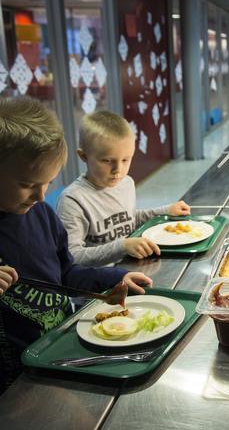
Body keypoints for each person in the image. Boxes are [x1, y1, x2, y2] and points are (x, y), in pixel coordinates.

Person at [0, 97, 152, 391]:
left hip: (58, 351)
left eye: (48, 183)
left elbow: (67, 272)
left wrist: (115, 277)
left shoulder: (41, 213)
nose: (41, 196)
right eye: (27, 184)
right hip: (13, 379)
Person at [57, 110, 190, 267]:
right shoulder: (73, 200)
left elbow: (128, 219)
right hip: (98, 281)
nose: (117, 170)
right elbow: (71, 257)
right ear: (84, 156)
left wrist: (166, 211)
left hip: (130, 267)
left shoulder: (126, 183)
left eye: (126, 160)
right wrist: (122, 246)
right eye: (107, 161)